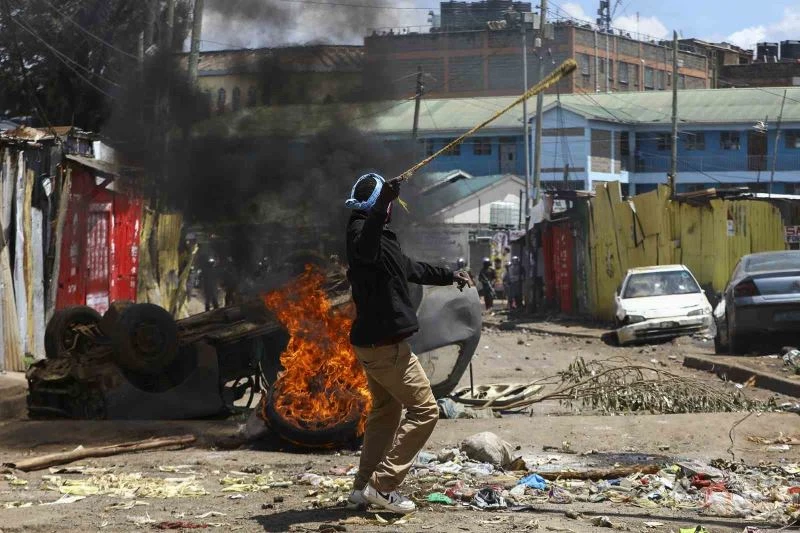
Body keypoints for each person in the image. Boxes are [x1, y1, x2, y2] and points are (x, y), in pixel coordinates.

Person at [344, 173, 471, 514]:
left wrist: (449, 274)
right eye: (387, 205)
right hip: (386, 346)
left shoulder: (382, 239)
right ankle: (383, 487)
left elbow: (410, 267)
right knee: (426, 410)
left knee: (386, 411)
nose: (392, 210)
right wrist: (384, 200)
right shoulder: (361, 235)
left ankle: (362, 488)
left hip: (373, 344)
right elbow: (367, 244)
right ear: (376, 207)